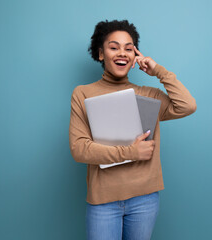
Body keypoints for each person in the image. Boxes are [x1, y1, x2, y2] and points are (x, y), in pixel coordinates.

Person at [69, 20, 197, 240]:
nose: (122, 53)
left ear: (135, 56)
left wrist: (159, 71)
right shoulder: (83, 94)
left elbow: (187, 105)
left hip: (145, 200)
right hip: (103, 203)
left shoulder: (150, 94)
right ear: (101, 54)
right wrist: (130, 152)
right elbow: (79, 149)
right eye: (114, 47)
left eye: (129, 48)